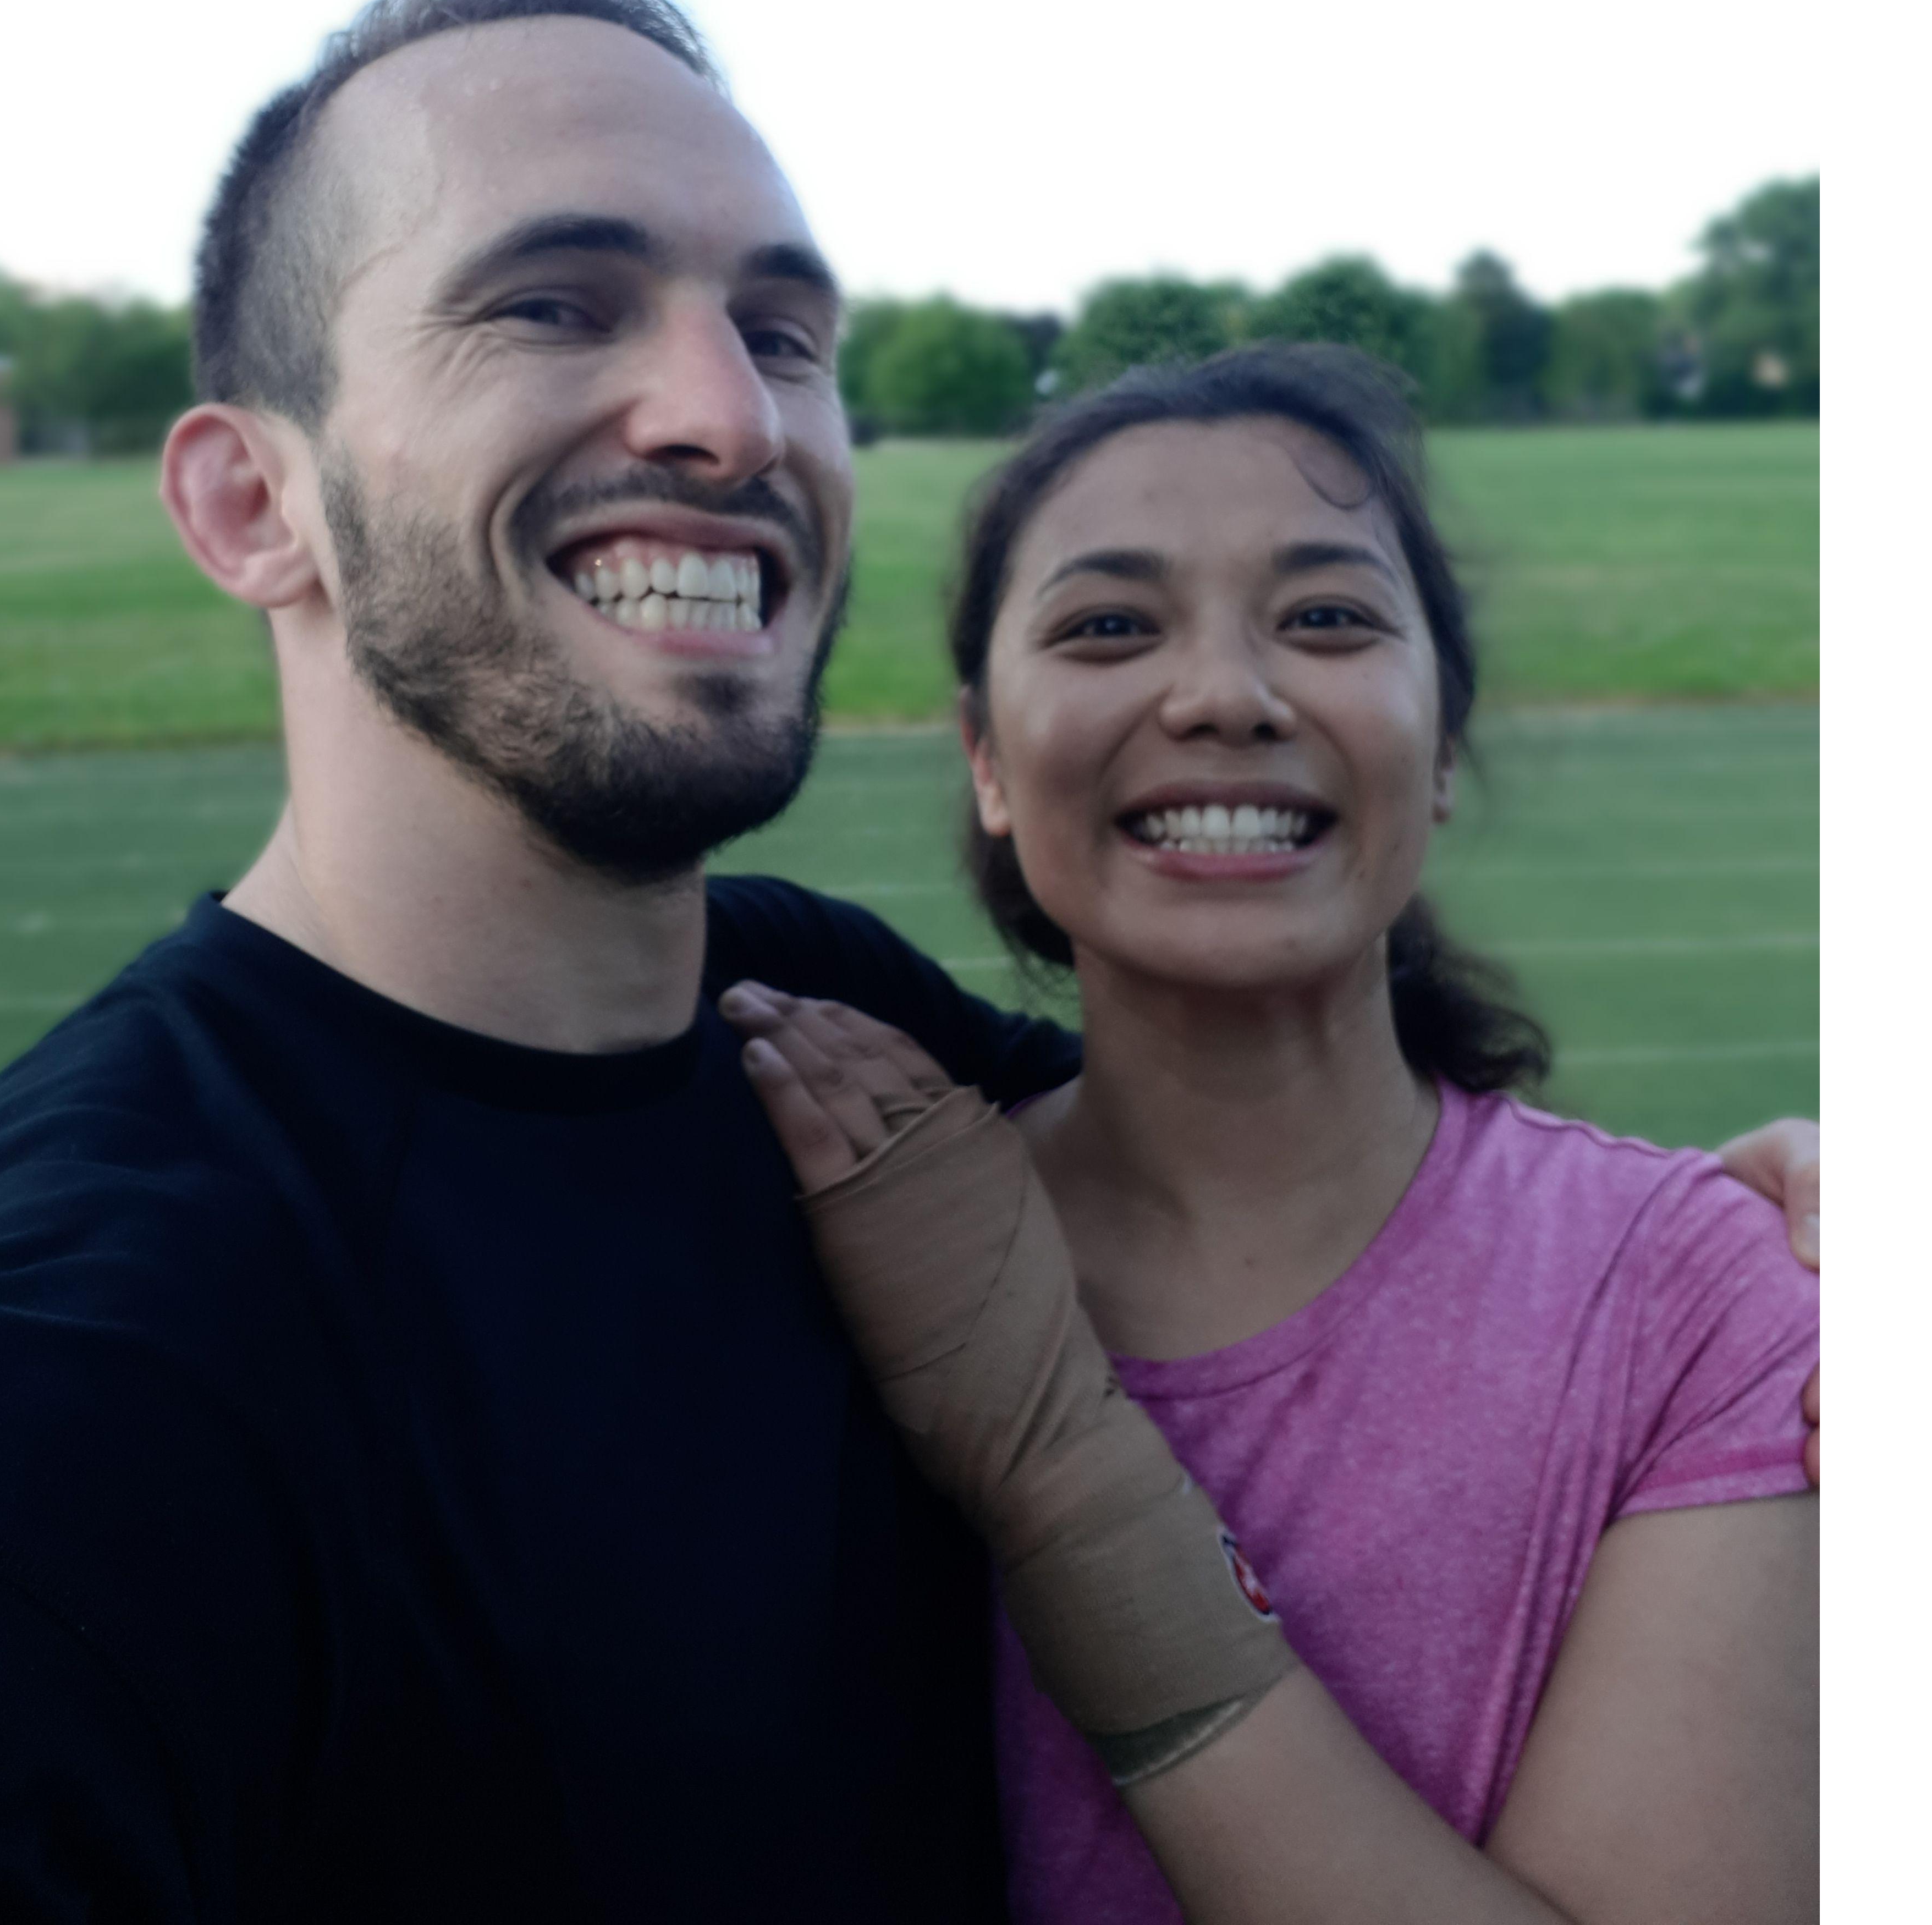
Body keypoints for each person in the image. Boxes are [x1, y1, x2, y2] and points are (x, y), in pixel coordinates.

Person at [0, 0, 1820, 1921]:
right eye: (554, 304)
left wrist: (1748, 1241)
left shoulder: (819, 1028)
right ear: (253, 505)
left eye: (782, 333)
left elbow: (1291, 1176)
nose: (729, 416)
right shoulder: (37, 1394)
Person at [722, 344, 1817, 1923]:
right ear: (986, 759)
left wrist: (1056, 1463)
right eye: (1109, 626)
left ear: (1443, 742)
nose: (1225, 697)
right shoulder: (819, 1238)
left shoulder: (1709, 1304)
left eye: (1327, 619)